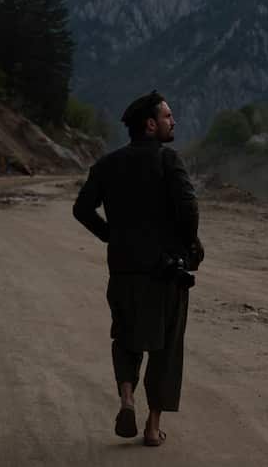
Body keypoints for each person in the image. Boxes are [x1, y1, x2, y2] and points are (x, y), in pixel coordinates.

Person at [73, 91, 202, 447]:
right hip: (165, 271)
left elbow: (82, 209)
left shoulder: (107, 165)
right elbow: (189, 209)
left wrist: (111, 237)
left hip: (124, 270)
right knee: (165, 347)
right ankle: (151, 426)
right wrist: (188, 245)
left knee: (127, 337)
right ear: (150, 124)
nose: (172, 122)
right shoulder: (168, 160)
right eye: (167, 117)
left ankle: (127, 397)